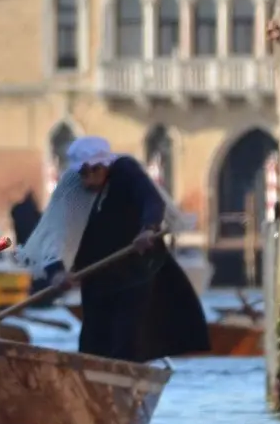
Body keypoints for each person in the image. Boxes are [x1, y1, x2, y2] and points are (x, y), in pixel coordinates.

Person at [15, 136, 210, 362]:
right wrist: (56, 272)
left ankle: (127, 379)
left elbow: (151, 201)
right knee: (91, 345)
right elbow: (55, 233)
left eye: (94, 170)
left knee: (127, 341)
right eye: (83, 173)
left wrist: (148, 229)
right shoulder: (72, 186)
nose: (88, 179)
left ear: (106, 165)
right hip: (97, 275)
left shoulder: (125, 171)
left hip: (136, 269)